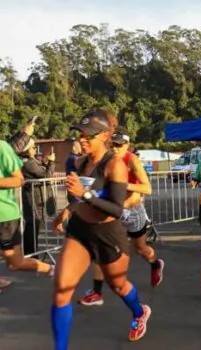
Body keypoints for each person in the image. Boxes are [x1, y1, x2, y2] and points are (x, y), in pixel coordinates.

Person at [52, 109, 150, 349]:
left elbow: (116, 209)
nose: (82, 140)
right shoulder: (79, 162)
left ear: (105, 135)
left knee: (118, 285)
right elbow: (76, 198)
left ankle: (139, 312)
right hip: (80, 231)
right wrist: (67, 210)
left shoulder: (114, 165)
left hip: (107, 235)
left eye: (88, 136)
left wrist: (84, 194)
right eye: (80, 135)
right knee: (62, 291)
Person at [78, 126, 163, 306]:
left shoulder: (131, 160)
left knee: (141, 249)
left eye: (120, 145)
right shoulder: (104, 160)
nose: (116, 149)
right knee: (100, 250)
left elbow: (147, 188)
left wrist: (124, 185)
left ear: (128, 145)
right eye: (113, 145)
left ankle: (155, 263)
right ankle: (97, 292)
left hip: (132, 211)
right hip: (111, 211)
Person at [0, 139, 55, 280]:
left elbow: (19, 180)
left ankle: (52, 269)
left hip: (4, 217)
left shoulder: (2, 147)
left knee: (14, 264)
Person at [20, 138, 56, 256]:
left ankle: (30, 252)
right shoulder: (29, 163)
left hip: (35, 197)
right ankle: (30, 253)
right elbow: (46, 175)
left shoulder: (32, 161)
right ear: (27, 149)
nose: (35, 149)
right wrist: (51, 162)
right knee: (33, 226)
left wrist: (46, 162)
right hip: (32, 198)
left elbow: (42, 171)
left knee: (34, 226)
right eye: (33, 147)